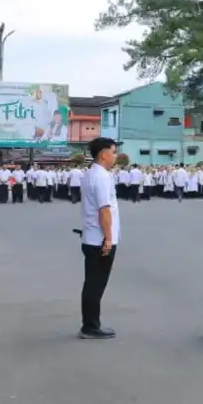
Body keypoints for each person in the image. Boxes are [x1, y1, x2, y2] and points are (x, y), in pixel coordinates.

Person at [80, 137, 121, 339]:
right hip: (99, 240)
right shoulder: (102, 176)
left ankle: (90, 323)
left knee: (92, 283)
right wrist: (108, 239)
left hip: (91, 238)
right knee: (95, 285)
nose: (116, 156)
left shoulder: (91, 174)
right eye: (114, 152)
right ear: (103, 154)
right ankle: (90, 326)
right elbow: (104, 211)